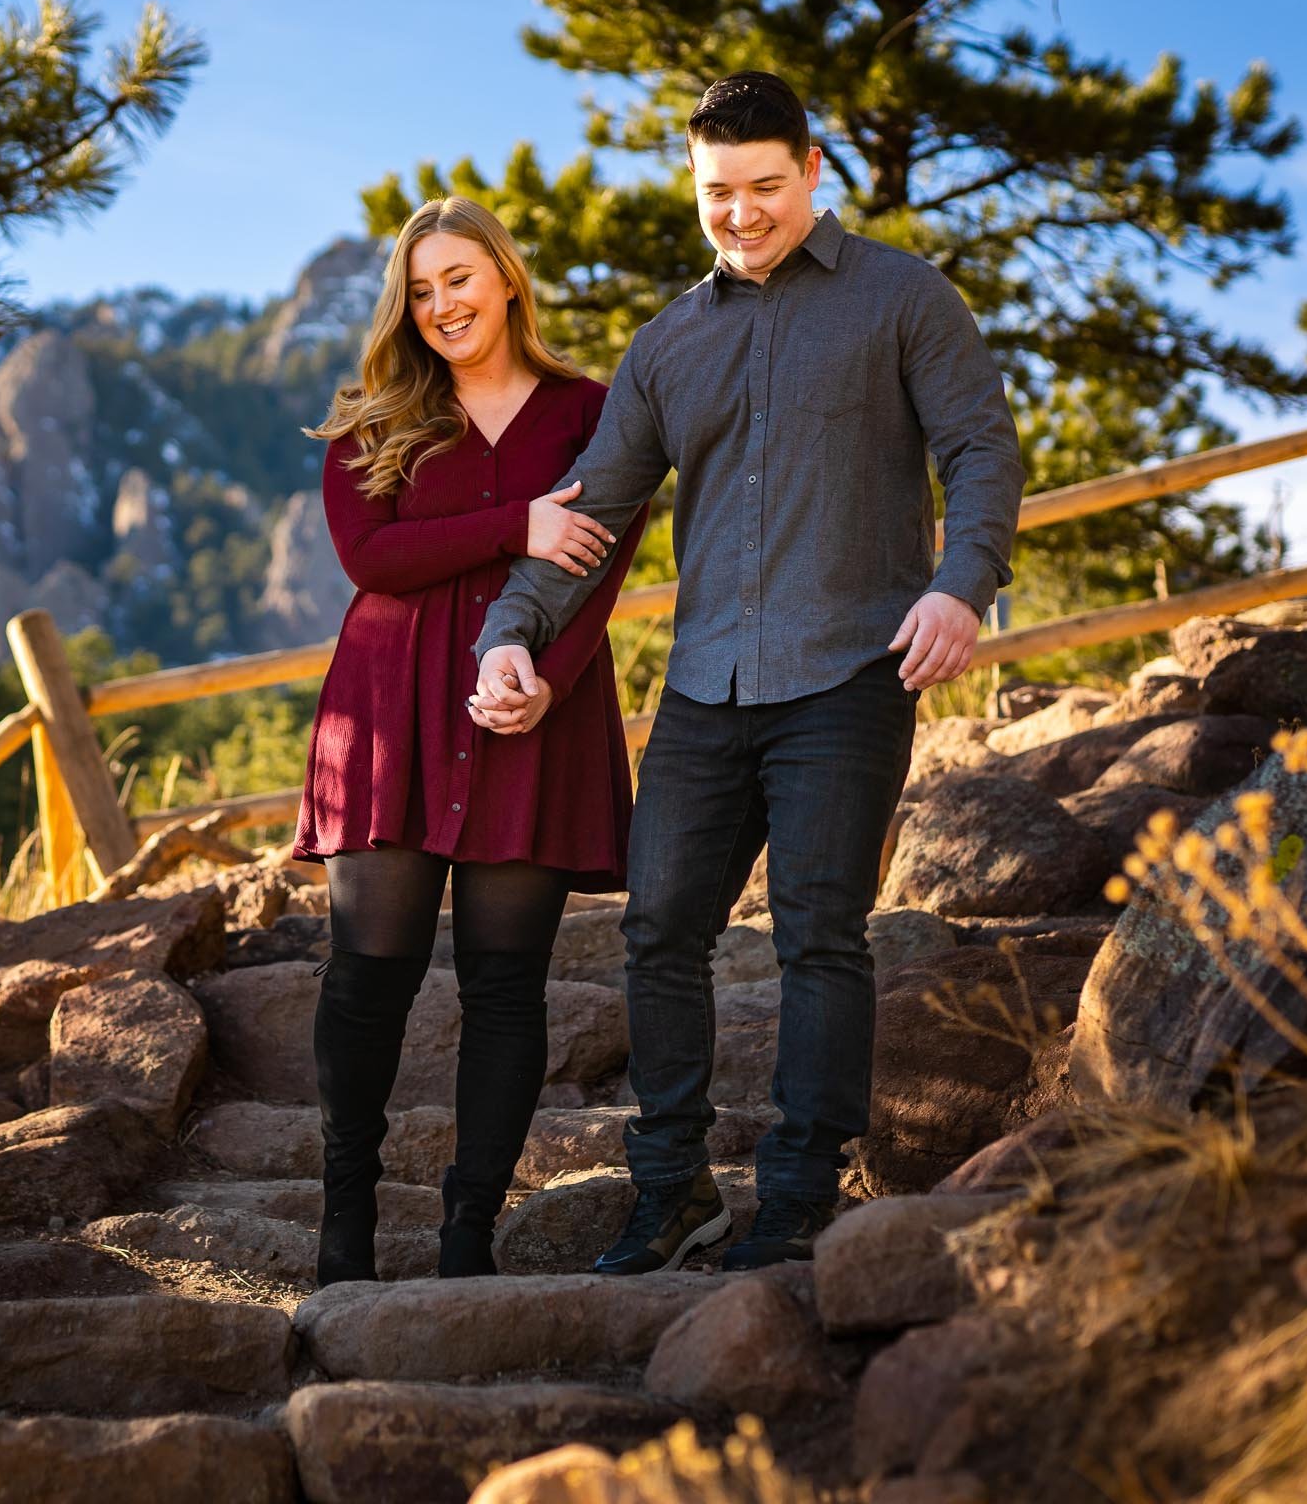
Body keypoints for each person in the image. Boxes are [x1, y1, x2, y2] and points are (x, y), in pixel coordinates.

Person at [471, 72, 1025, 1274]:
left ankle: (799, 1193)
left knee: (820, 933)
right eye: (718, 192)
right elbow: (592, 517)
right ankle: (671, 1187)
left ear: (812, 173)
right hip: (706, 689)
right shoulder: (667, 345)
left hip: (851, 672)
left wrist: (961, 583)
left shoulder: (902, 298)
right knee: (660, 926)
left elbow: (982, 446)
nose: (742, 212)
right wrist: (508, 633)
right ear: (695, 185)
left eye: (764, 187)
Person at [295, 196, 646, 1286]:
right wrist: (515, 525)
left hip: (534, 713)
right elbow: (374, 560)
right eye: (422, 288)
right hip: (391, 709)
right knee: (368, 978)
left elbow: (605, 558)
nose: (444, 303)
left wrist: (552, 680)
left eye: (461, 277)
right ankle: (343, 1225)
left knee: (507, 985)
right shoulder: (373, 419)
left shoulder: (590, 412)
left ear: (505, 279)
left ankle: (467, 1235)